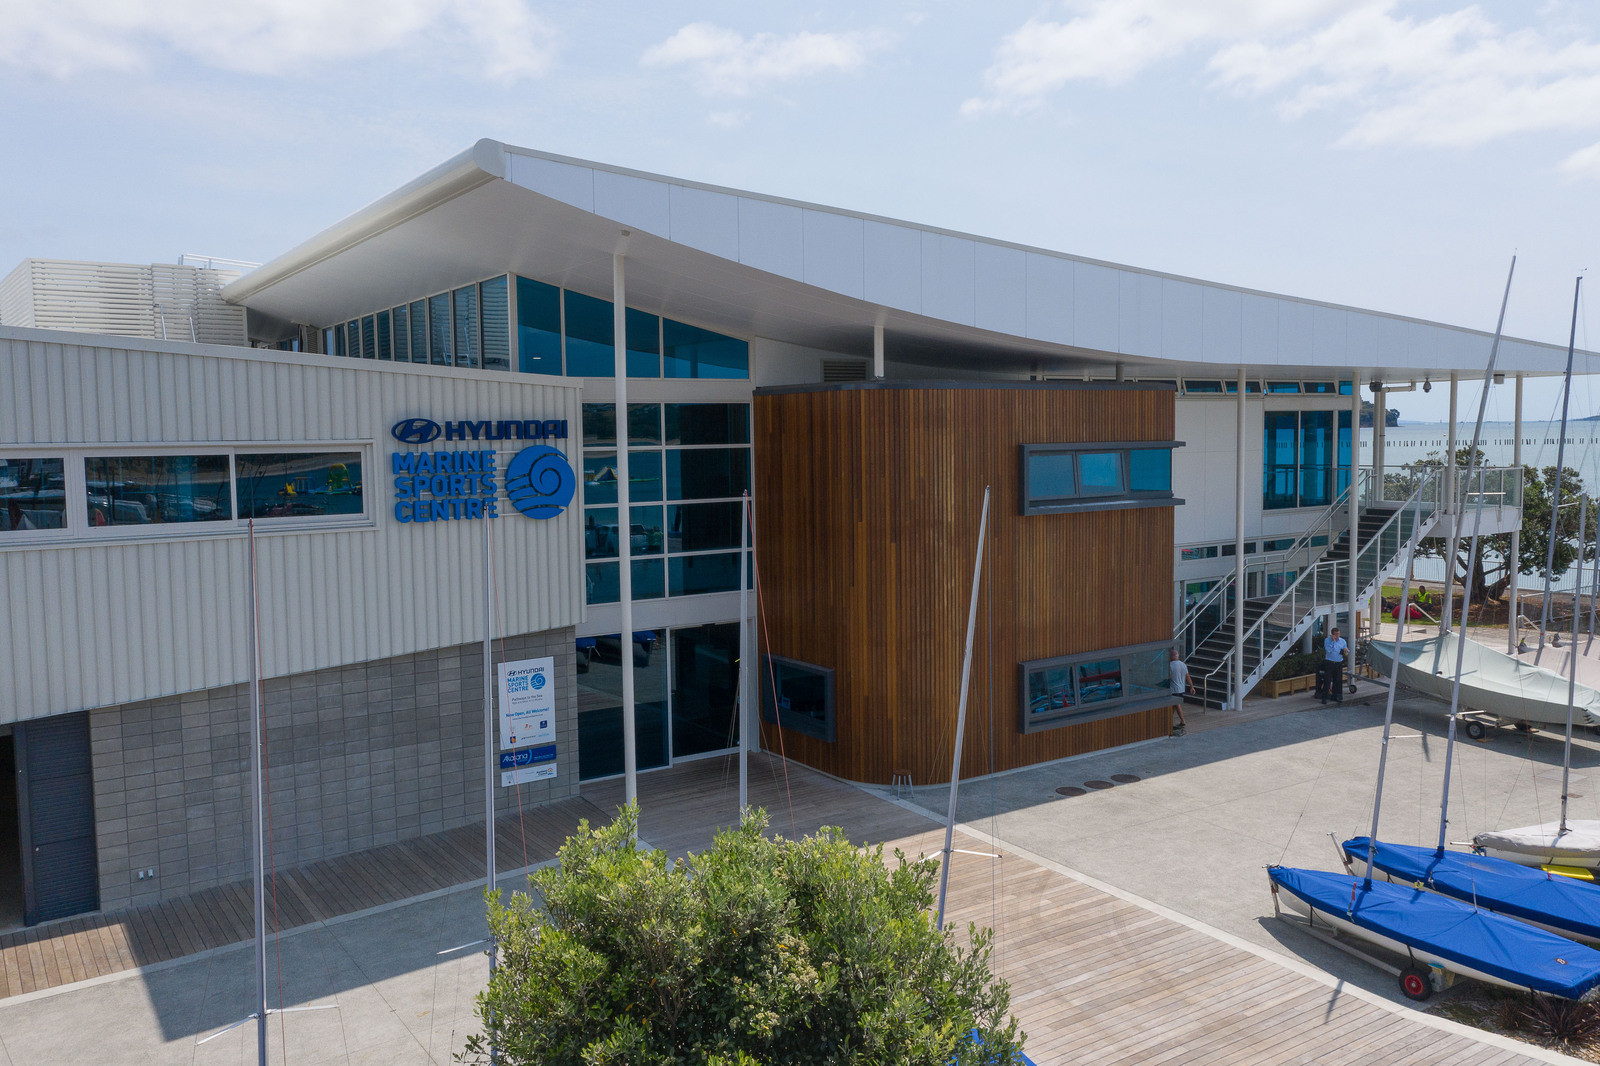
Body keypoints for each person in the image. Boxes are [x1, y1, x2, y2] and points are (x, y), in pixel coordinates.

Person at [1319, 626, 1349, 704]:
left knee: (1337, 680)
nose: (1338, 635)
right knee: (1327, 680)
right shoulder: (1327, 640)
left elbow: (1346, 652)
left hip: (1338, 662)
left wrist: (1346, 651)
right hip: (1330, 662)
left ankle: (1335, 696)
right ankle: (1324, 697)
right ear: (1333, 635)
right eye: (1336, 634)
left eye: (1339, 633)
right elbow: (1329, 650)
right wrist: (1333, 642)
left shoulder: (1342, 641)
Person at [1169, 648, 1192, 734]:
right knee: (1174, 705)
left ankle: (1183, 721)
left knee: (1176, 704)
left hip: (1174, 688)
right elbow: (1188, 676)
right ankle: (1168, 720)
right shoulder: (1183, 665)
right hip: (1181, 688)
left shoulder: (1170, 665)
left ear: (1171, 657)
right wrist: (1191, 686)